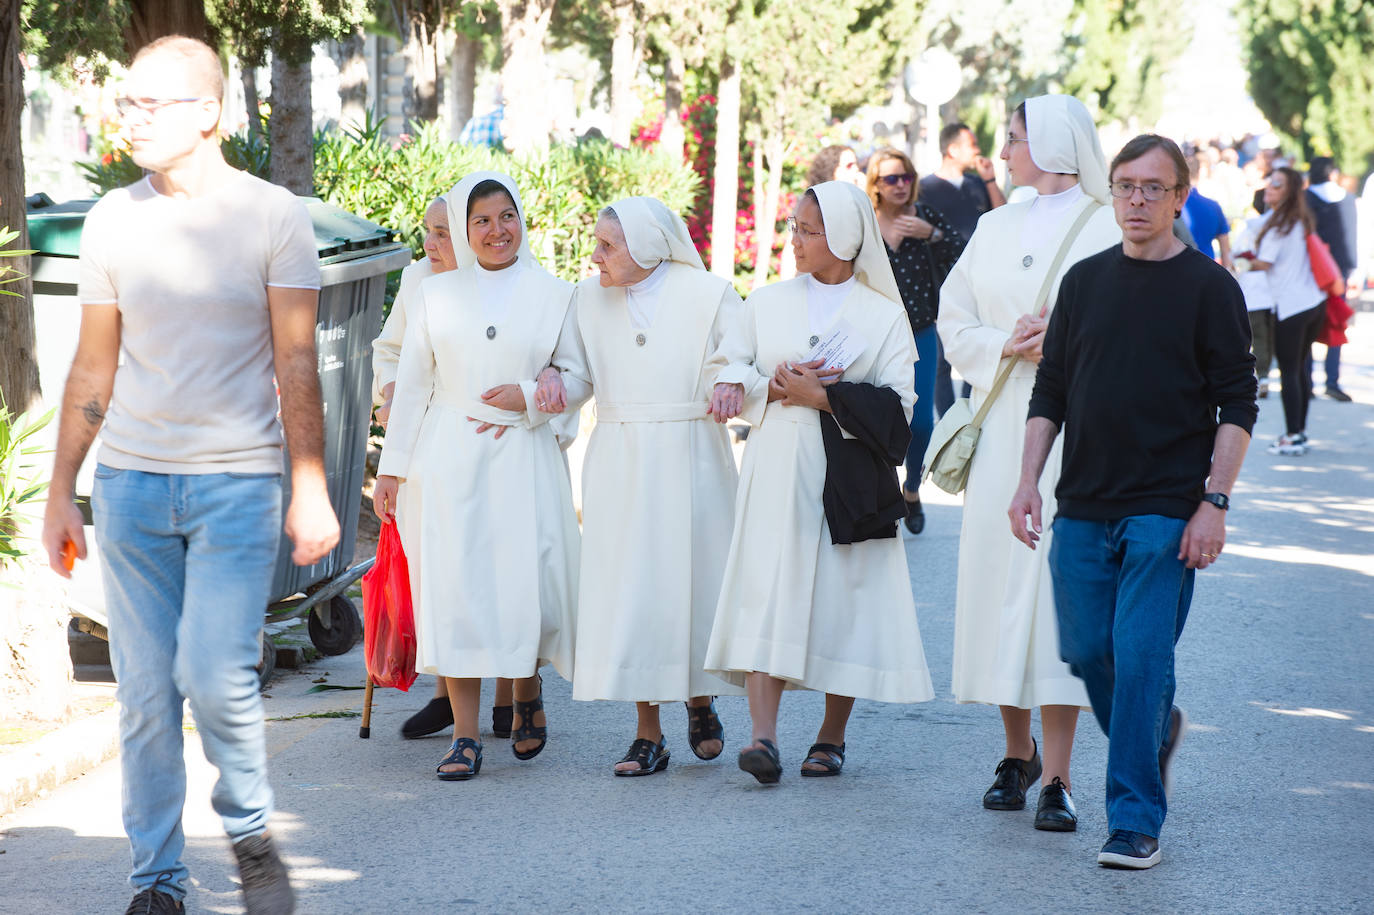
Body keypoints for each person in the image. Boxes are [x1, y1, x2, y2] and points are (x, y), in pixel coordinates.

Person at [41, 35, 339, 915]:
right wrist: (65, 486)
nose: (128, 119)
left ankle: (248, 829)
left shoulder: (274, 215)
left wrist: (311, 481)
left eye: (149, 104)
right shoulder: (110, 219)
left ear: (207, 112)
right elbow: (94, 369)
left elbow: (296, 361)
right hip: (132, 486)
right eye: (124, 103)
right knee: (142, 695)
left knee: (213, 674)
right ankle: (157, 882)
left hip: (237, 484)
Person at [1011, 133, 1257, 869]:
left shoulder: (1211, 289)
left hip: (1166, 508)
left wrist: (1214, 500)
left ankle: (1134, 819)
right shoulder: (1084, 282)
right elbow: (1049, 388)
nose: (1138, 200)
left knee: (1142, 654)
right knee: (1086, 648)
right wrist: (1027, 479)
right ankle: (1152, 731)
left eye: (1155, 187)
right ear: (1111, 193)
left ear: (1181, 196)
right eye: (1126, 186)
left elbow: (1238, 403)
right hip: (1081, 501)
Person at [705, 180, 935, 782]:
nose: (796, 239)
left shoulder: (883, 317)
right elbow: (736, 365)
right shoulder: (766, 301)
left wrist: (827, 397)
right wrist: (760, 387)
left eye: (808, 230)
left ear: (844, 239)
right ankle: (763, 738)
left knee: (845, 598)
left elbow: (902, 406)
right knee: (767, 588)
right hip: (778, 465)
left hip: (850, 474)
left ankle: (831, 736)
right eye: (796, 227)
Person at [938, 94, 1120, 832]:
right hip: (1002, 425)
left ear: (1049, 144)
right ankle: (1015, 750)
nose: (1004, 152)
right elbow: (954, 320)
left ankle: (1058, 776)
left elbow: (1131, 325)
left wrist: (1068, 341)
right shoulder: (992, 224)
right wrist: (1004, 344)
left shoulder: (1110, 225)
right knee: (995, 589)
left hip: (1078, 435)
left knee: (1054, 599)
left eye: (1014, 139)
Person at [372, 172, 578, 780]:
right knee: (455, 591)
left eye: (507, 216)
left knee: (523, 583)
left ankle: (525, 685)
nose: (497, 231)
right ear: (464, 231)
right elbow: (410, 388)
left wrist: (533, 400)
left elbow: (577, 375)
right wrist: (392, 470)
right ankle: (464, 736)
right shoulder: (433, 296)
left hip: (522, 454)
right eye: (482, 221)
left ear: (523, 221)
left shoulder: (556, 293)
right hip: (449, 454)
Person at [532, 197, 743, 776]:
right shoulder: (587, 297)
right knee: (632, 591)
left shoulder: (710, 295)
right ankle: (648, 731)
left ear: (647, 247)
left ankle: (700, 699)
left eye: (606, 245)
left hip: (692, 453)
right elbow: (576, 373)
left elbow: (741, 358)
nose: (594, 255)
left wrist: (732, 383)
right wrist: (555, 382)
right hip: (622, 458)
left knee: (693, 582)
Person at [371, 198, 522, 742]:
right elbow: (391, 351)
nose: (430, 245)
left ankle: (512, 691)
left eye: (441, 233)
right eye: (428, 232)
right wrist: (390, 388)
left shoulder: (509, 282)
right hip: (429, 439)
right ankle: (449, 695)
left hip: (492, 437)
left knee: (499, 567)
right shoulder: (419, 280)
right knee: (446, 572)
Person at [866, 147, 963, 533]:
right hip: (874, 336)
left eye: (906, 176)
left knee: (921, 422)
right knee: (876, 417)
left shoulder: (924, 217)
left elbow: (962, 254)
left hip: (920, 330)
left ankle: (911, 486)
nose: (902, 185)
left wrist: (932, 235)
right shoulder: (866, 224)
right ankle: (882, 493)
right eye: (892, 178)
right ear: (876, 184)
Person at [919, 122, 1007, 416]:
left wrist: (991, 180)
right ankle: (948, 420)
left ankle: (971, 414)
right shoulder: (924, 188)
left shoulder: (977, 184)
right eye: (971, 144)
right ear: (952, 149)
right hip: (941, 282)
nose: (977, 150)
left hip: (982, 279)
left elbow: (1004, 216)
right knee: (942, 361)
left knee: (980, 348)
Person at [1251, 167, 1324, 455]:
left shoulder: (1279, 225)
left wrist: (1244, 261)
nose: (1269, 189)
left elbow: (1264, 263)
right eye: (1269, 183)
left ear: (1289, 192)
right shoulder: (1299, 220)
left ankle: (1293, 435)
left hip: (1291, 306)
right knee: (1300, 369)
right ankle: (1300, 431)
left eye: (1277, 185)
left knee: (1290, 371)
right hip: (1312, 302)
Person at [1306, 157, 1357, 402]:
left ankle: (1305, 381)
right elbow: (1351, 237)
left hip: (1309, 270)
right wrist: (1353, 268)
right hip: (1338, 271)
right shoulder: (1346, 198)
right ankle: (1332, 380)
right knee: (1336, 322)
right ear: (1333, 173)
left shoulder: (1304, 199)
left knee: (1305, 324)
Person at [1181, 155, 1234, 269]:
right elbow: (1225, 250)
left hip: (1178, 269)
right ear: (1200, 173)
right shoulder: (1213, 207)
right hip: (1207, 269)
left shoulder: (1172, 206)